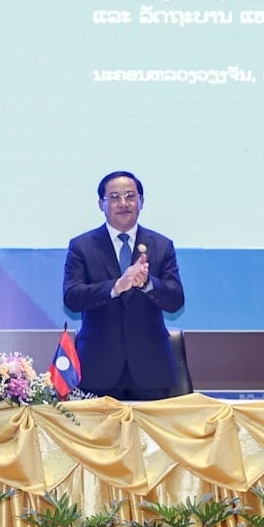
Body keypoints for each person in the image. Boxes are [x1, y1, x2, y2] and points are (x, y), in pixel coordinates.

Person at [62, 171, 186, 399]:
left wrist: (148, 283)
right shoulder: (82, 246)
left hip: (151, 370)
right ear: (101, 204)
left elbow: (176, 300)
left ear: (141, 201)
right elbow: (72, 298)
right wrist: (116, 286)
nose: (123, 203)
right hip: (98, 369)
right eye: (114, 197)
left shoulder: (161, 245)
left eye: (130, 196)